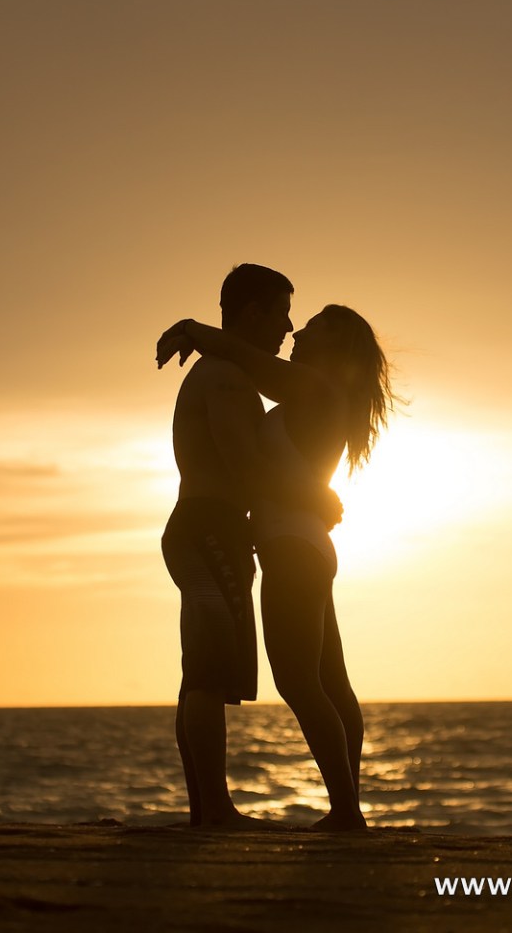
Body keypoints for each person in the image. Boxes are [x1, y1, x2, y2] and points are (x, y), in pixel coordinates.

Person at [158, 303, 397, 831]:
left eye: (313, 326)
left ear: (336, 345)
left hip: (291, 548)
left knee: (299, 683)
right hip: (305, 545)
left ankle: (346, 812)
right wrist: (314, 497)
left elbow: (243, 357)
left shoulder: (314, 386)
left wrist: (195, 330)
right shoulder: (317, 393)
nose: (296, 331)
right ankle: (348, 808)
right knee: (330, 683)